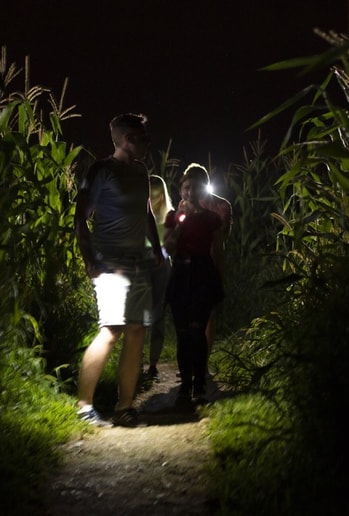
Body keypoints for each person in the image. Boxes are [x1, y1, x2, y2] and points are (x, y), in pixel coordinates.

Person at [74, 113, 164, 427]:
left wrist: (155, 247)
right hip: (110, 263)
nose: (148, 145)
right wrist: (89, 257)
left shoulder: (141, 171)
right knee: (111, 331)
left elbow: (147, 212)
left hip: (138, 263)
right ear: (126, 139)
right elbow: (80, 217)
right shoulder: (101, 170)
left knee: (137, 331)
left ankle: (124, 406)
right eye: (143, 138)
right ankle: (84, 405)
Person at [162, 165, 227, 405]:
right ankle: (185, 385)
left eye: (195, 187)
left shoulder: (212, 219)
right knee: (182, 332)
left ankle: (199, 383)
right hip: (180, 272)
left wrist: (220, 281)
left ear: (201, 191)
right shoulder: (173, 217)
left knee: (197, 329)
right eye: (186, 187)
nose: (190, 192)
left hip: (202, 272)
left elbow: (219, 252)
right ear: (181, 190)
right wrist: (179, 225)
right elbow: (167, 247)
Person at [184, 163, 233, 370]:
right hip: (190, 265)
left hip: (208, 264)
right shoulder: (185, 205)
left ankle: (201, 361)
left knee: (208, 315)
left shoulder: (222, 207)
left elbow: (222, 240)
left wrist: (219, 274)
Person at [144, 174, 173, 382]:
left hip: (161, 266)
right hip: (141, 265)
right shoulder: (139, 214)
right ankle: (134, 362)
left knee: (157, 314)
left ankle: (153, 363)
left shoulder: (169, 215)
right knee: (139, 315)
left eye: (157, 196)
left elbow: (172, 243)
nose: (153, 200)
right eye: (150, 196)